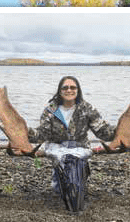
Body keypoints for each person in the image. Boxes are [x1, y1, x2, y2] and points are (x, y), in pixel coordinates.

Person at [28, 76, 116, 210]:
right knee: (58, 187)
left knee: (75, 161)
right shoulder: (50, 110)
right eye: (65, 87)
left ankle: (80, 179)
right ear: (60, 91)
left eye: (73, 87)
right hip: (57, 148)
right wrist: (23, 131)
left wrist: (122, 131)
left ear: (78, 90)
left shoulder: (86, 108)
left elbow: (102, 132)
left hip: (79, 147)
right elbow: (41, 135)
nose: (69, 90)